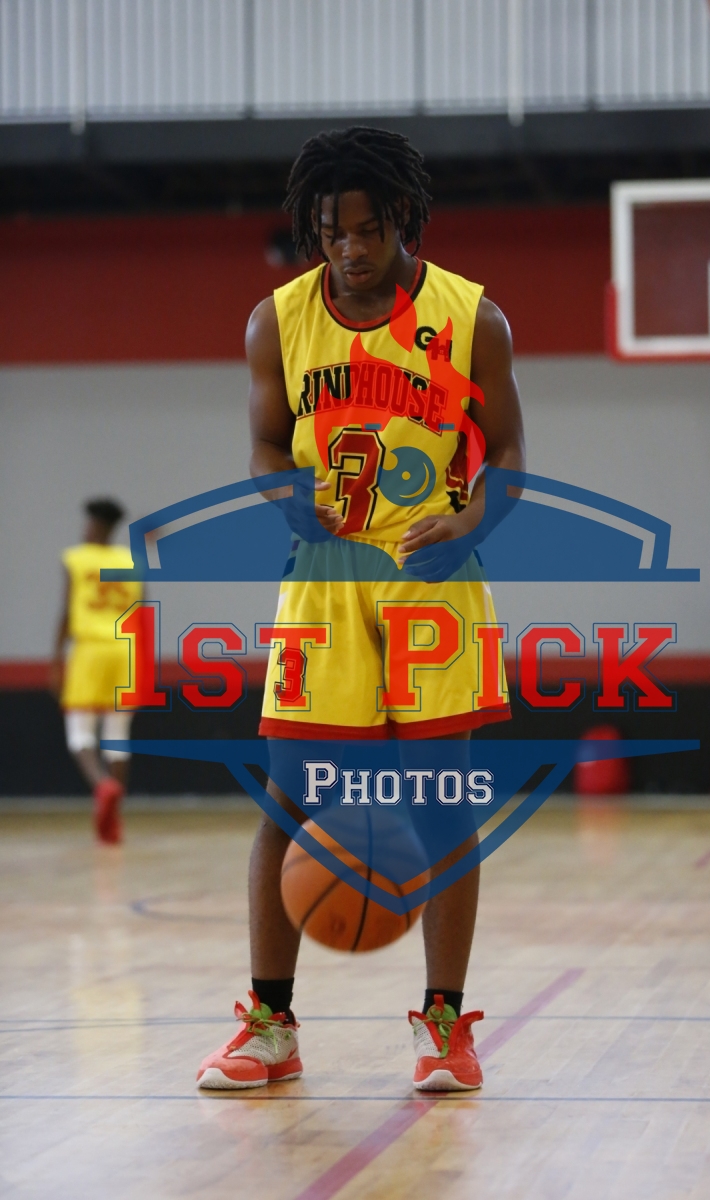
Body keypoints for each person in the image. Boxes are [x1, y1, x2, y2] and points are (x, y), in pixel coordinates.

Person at [196, 127, 525, 1092]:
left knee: (440, 800)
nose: (349, 248)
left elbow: (509, 455)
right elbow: (265, 444)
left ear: (404, 219)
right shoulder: (277, 321)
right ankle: (270, 1027)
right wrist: (278, 491)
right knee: (288, 801)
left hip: (432, 576)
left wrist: (473, 522)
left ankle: (443, 1027)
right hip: (325, 578)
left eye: (369, 229)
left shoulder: (472, 317)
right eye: (331, 231)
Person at [52, 499, 142, 843]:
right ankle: (114, 820)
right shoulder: (130, 561)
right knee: (118, 735)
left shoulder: (76, 558)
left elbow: (66, 612)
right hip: (126, 650)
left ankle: (102, 785)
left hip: (90, 650)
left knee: (80, 733)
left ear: (95, 525)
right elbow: (142, 610)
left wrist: (56, 659)